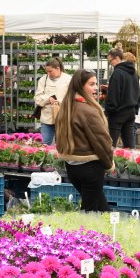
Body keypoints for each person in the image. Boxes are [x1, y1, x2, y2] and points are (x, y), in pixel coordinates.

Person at [55, 69, 113, 212]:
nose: (95, 88)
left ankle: (110, 232)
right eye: (91, 84)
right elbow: (102, 142)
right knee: (90, 213)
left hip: (72, 166)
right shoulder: (87, 110)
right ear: (81, 86)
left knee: (100, 207)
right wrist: (109, 163)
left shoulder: (67, 106)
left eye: (96, 84)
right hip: (90, 167)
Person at [103, 48, 140, 148]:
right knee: (129, 145)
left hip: (117, 113)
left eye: (110, 61)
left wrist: (108, 111)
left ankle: (109, 163)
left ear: (117, 58)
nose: (110, 63)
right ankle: (132, 162)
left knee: (110, 144)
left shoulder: (117, 73)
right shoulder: (134, 73)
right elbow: (137, 93)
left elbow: (113, 95)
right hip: (130, 112)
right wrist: (135, 109)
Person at [33, 58, 72, 145]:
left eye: (50, 71)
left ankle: (62, 159)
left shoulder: (68, 79)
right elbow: (37, 98)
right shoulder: (43, 80)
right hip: (47, 118)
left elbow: (72, 98)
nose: (48, 74)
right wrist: (48, 98)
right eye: (47, 71)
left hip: (63, 117)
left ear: (58, 68)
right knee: (45, 143)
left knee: (62, 144)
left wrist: (59, 101)